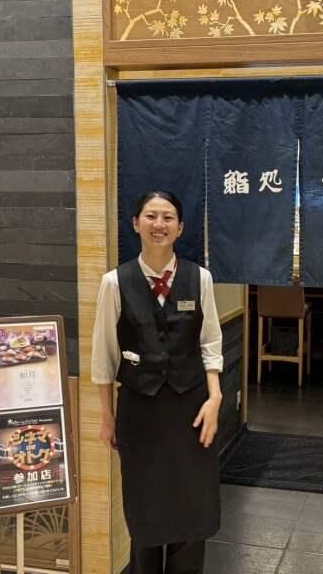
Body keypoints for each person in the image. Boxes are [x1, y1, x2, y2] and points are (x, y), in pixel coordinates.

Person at [91, 190, 223, 574]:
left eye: (168, 217)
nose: (159, 224)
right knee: (145, 509)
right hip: (139, 410)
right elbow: (104, 355)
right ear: (136, 224)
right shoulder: (115, 283)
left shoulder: (200, 278)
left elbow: (210, 342)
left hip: (193, 410)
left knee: (192, 508)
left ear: (180, 228)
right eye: (151, 216)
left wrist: (215, 398)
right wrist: (107, 416)